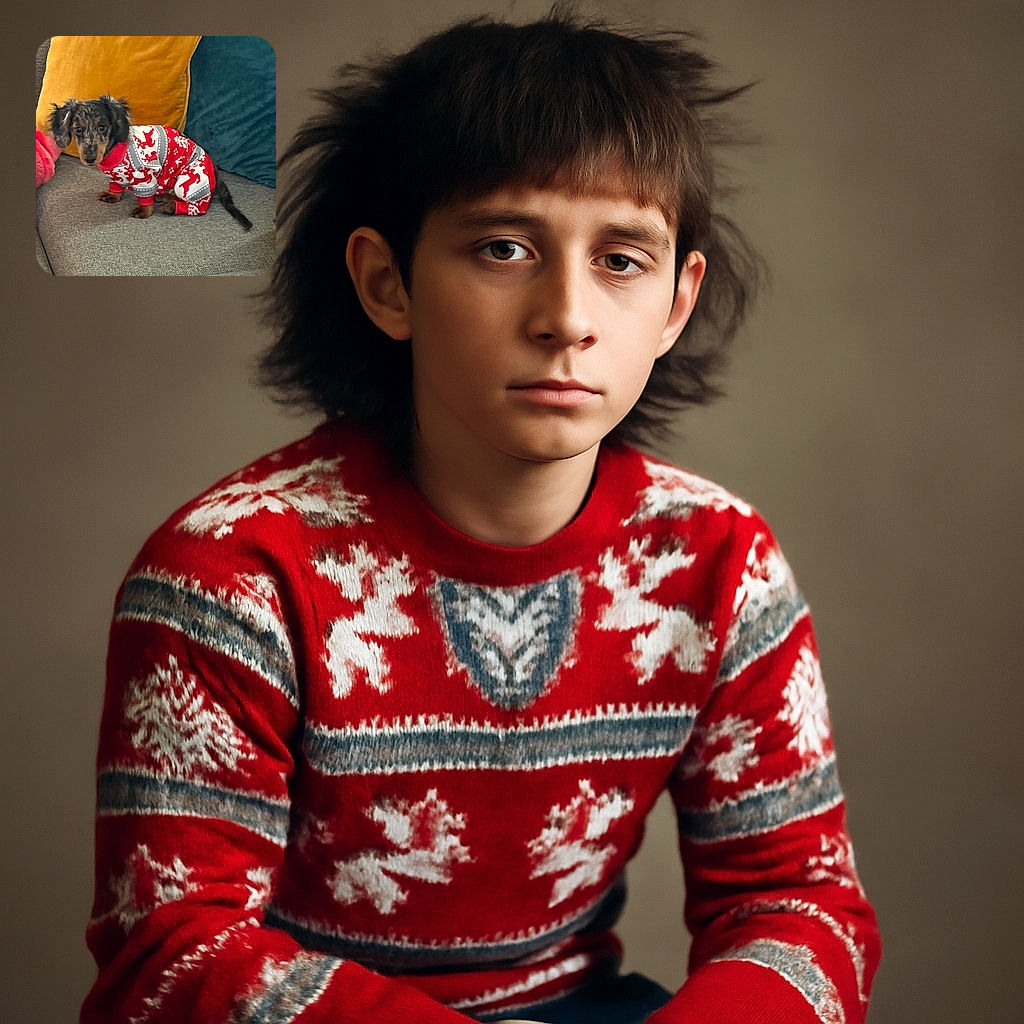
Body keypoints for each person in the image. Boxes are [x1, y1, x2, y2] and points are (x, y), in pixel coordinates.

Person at [80, 7, 880, 1023]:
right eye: (503, 248)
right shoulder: (232, 574)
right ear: (386, 282)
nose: (568, 318)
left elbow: (799, 904)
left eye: (621, 260)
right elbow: (173, 952)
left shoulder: (718, 560)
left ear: (675, 307)